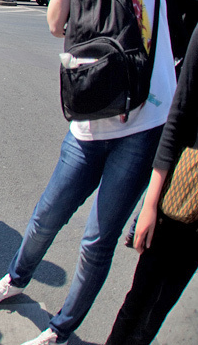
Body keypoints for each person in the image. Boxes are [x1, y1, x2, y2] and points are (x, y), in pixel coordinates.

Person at [0, 0, 176, 345]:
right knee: (47, 216)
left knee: (95, 240)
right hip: (86, 126)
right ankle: (15, 280)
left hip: (139, 124)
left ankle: (60, 329)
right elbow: (55, 23)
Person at [104, 24, 198, 344]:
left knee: (158, 310)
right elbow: (177, 120)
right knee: (139, 300)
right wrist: (149, 205)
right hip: (182, 196)